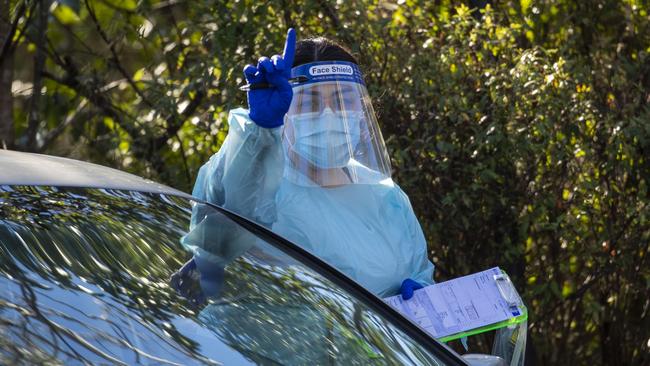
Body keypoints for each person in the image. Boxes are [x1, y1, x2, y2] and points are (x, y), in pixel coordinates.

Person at [173, 28, 434, 304]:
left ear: (361, 109)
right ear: (285, 107)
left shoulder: (387, 197)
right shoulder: (261, 183)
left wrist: (424, 302)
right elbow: (219, 225)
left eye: (343, 100)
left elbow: (421, 273)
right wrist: (258, 130)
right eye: (310, 101)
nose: (329, 114)